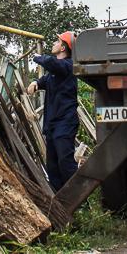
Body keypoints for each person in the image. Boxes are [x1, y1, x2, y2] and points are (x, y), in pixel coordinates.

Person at [27, 31, 79, 191]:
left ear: (63, 47)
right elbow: (45, 80)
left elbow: (51, 63)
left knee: (65, 162)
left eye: (57, 42)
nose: (54, 44)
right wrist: (35, 82)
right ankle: (59, 200)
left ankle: (77, 198)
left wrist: (37, 56)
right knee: (53, 165)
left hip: (65, 122)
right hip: (53, 124)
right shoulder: (54, 73)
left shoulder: (68, 66)